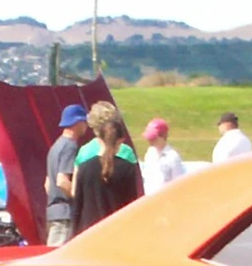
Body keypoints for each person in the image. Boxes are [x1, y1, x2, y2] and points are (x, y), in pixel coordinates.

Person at [72, 100, 142, 233]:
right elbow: (134, 199)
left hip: (89, 227)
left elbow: (75, 192)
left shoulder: (84, 152)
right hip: (117, 227)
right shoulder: (126, 152)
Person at [44, 103, 90, 244]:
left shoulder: (55, 146)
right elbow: (62, 181)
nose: (86, 126)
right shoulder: (70, 147)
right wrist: (79, 199)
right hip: (64, 214)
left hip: (53, 212)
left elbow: (47, 184)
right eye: (84, 122)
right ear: (77, 122)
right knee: (59, 261)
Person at [137, 118, 185, 191]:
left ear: (163, 136)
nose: (150, 141)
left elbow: (179, 183)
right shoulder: (150, 153)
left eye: (153, 138)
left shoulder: (172, 157)